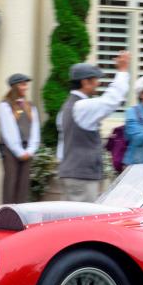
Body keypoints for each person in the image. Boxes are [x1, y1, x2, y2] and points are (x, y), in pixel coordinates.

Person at [57, 51, 130, 202]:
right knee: (82, 222)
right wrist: (122, 71)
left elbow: (62, 144)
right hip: (81, 177)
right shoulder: (82, 106)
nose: (98, 83)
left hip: (72, 173)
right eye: (95, 80)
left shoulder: (66, 107)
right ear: (85, 82)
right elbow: (112, 100)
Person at [0, 73, 40, 204]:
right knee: (11, 182)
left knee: (23, 186)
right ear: (14, 86)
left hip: (27, 149)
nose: (25, 87)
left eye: (26, 84)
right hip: (10, 150)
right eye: (22, 84)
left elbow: (35, 129)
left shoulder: (30, 106)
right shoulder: (4, 106)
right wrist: (19, 152)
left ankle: (21, 215)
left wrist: (31, 149)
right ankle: (7, 215)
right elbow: (8, 130)